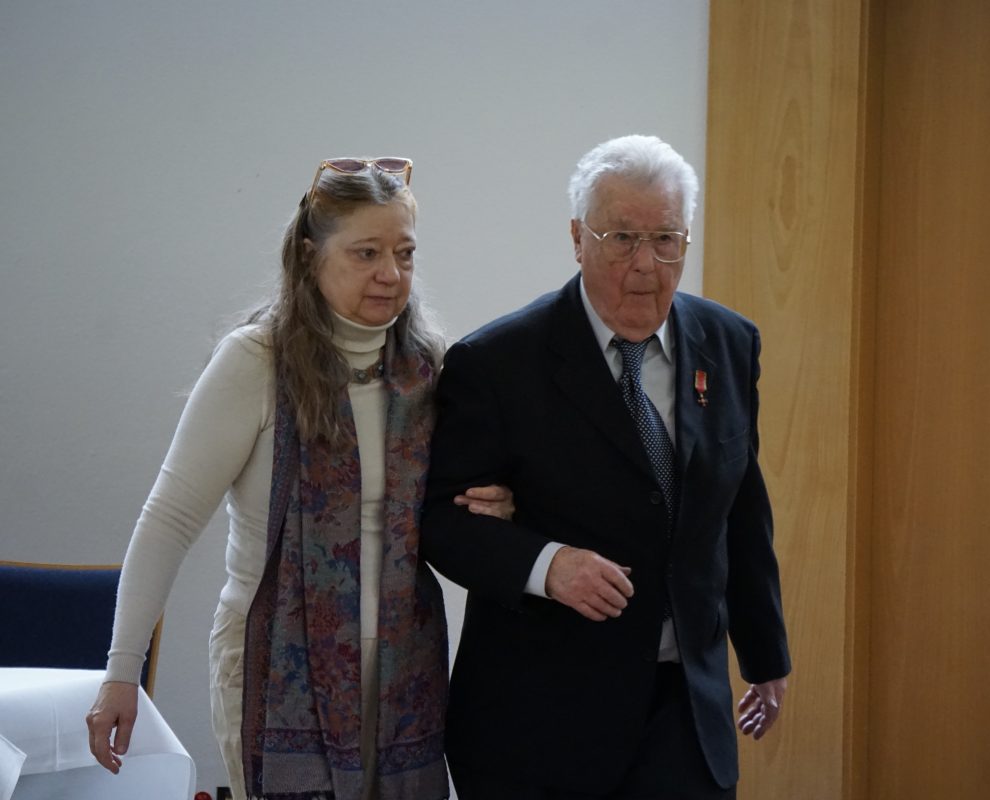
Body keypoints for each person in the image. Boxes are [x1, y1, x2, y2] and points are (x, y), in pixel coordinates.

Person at [85, 157, 513, 800]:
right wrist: (122, 672)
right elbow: (169, 520)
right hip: (273, 668)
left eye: (404, 253)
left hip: (404, 673)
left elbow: (442, 508)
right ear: (311, 256)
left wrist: (495, 505)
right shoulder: (256, 360)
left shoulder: (426, 367)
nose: (390, 273)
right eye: (366, 253)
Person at [420, 135, 791, 799]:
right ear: (577, 238)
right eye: (621, 238)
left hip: (685, 711)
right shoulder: (498, 362)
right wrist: (547, 565)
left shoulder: (730, 343)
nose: (645, 264)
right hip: (542, 721)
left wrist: (764, 654)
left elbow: (739, 505)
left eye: (666, 239)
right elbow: (442, 523)